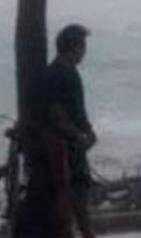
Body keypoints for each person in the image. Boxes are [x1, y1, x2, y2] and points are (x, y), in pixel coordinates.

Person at [43, 24, 97, 238]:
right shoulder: (58, 74)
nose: (84, 52)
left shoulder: (68, 71)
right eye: (82, 47)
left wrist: (89, 131)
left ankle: (83, 232)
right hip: (66, 144)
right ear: (74, 47)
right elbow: (57, 112)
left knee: (78, 191)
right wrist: (77, 135)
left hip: (73, 140)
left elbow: (77, 110)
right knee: (71, 193)